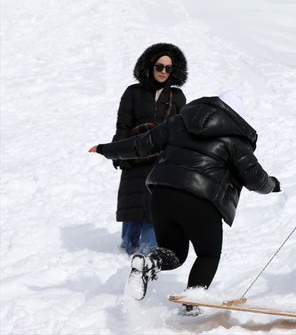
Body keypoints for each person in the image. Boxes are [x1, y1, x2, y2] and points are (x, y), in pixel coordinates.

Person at [89, 89, 281, 315]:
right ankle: (191, 303)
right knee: (208, 254)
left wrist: (105, 149)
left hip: (161, 194)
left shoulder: (179, 123)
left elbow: (141, 144)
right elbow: (256, 179)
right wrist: (273, 184)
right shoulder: (235, 140)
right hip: (199, 200)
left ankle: (149, 263)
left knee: (173, 252)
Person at [112, 43, 188, 256]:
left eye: (168, 68)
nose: (163, 72)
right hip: (135, 157)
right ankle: (126, 250)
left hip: (162, 161)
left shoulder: (178, 97)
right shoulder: (132, 92)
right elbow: (123, 125)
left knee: (156, 208)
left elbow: (183, 131)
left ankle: (146, 254)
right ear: (149, 66)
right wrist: (120, 152)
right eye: (159, 66)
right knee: (133, 204)